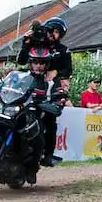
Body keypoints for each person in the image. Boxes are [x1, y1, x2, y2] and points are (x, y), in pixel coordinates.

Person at [19, 19, 72, 165]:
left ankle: (48, 154)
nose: (53, 35)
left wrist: (56, 73)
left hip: (49, 85)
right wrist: (26, 41)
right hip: (30, 81)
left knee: (50, 118)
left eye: (57, 33)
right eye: (51, 31)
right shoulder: (38, 44)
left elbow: (68, 70)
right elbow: (22, 60)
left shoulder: (63, 50)